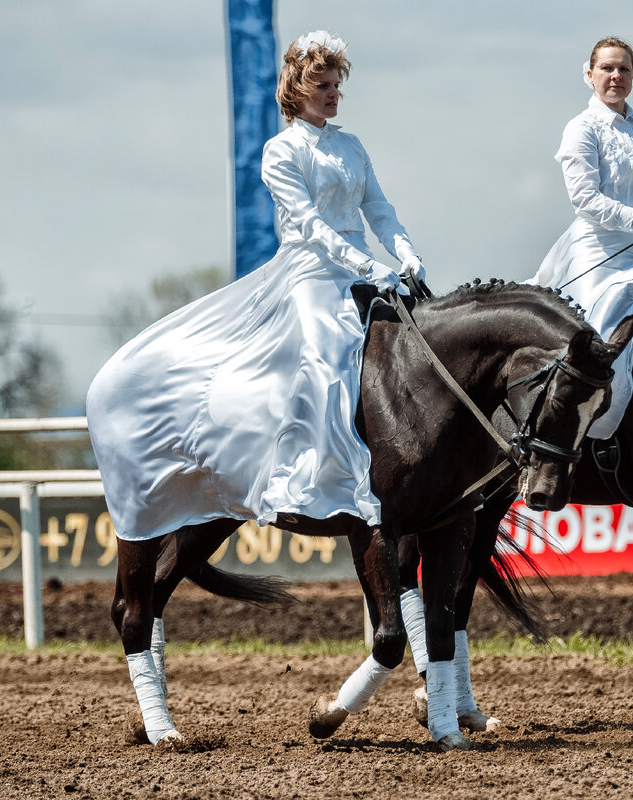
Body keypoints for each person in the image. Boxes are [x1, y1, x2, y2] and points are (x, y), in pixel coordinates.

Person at [87, 31, 424, 545]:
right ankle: (313, 479)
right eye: (325, 86)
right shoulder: (280, 151)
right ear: (299, 89)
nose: (335, 95)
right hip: (311, 273)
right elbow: (309, 224)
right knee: (324, 356)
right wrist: (366, 263)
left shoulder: (352, 145)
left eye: (337, 86)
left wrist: (403, 252)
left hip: (364, 269)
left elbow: (378, 208)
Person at [530, 36, 633, 440]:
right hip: (599, 250)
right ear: (589, 75)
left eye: (624, 69)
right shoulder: (582, 129)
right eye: (607, 68)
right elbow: (586, 199)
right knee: (601, 336)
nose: (616, 76)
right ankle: (582, 434)